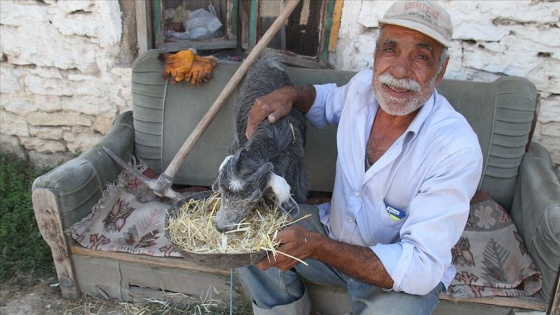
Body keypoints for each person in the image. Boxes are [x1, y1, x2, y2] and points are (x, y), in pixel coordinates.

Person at [238, 1, 484, 314]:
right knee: (243, 227)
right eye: (390, 49)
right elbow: (326, 101)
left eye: (421, 56)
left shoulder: (456, 148)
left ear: (440, 71)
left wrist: (317, 246)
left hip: (394, 273)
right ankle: (284, 309)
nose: (399, 70)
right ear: (376, 53)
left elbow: (420, 267)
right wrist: (292, 95)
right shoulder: (362, 90)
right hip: (330, 234)